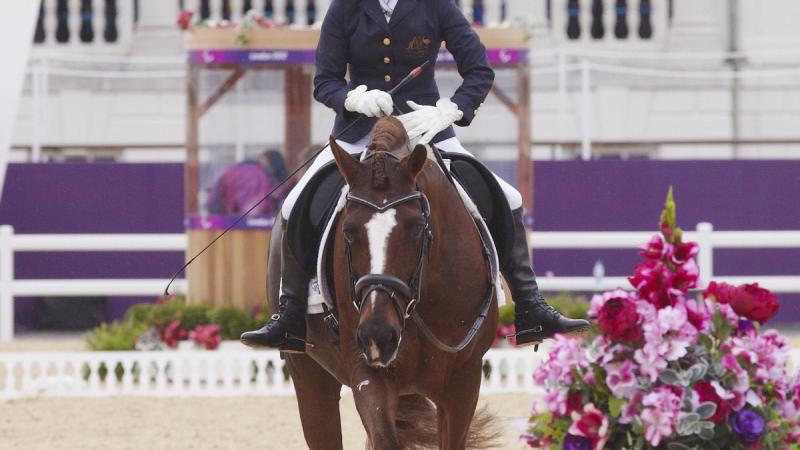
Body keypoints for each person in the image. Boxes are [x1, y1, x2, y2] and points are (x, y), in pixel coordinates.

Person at [241, 0, 589, 352]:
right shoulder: (346, 6)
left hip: (425, 128)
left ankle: (531, 307)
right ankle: (290, 315)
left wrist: (450, 111)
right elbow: (325, 81)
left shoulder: (436, 4)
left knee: (509, 198)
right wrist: (351, 100)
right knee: (294, 204)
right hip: (359, 131)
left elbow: (479, 70)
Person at [208, 150, 289, 217]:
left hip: (226, 223)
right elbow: (253, 211)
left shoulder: (234, 169)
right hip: (249, 227)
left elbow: (214, 196)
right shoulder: (258, 175)